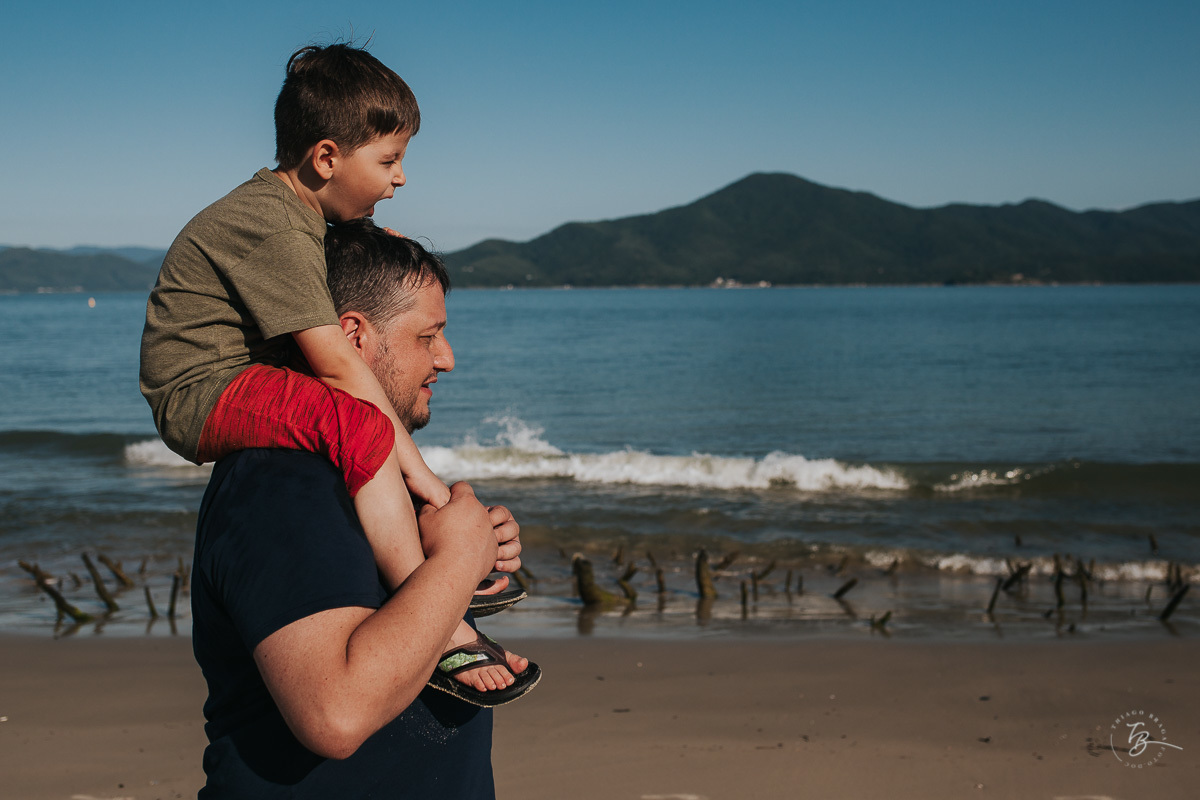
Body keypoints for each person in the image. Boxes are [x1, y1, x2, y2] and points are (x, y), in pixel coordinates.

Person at [139, 42, 524, 693]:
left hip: (234, 377)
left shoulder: (292, 215)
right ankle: (435, 609)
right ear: (326, 157)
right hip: (202, 391)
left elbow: (324, 265)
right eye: (389, 160)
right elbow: (340, 367)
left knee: (351, 426)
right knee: (356, 421)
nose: (400, 179)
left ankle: (432, 565)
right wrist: (428, 483)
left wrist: (380, 247)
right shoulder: (273, 225)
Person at [192, 220, 539, 798]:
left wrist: (465, 552)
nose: (447, 358)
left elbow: (405, 617)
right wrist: (457, 556)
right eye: (428, 336)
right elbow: (336, 714)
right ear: (353, 335)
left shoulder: (363, 468)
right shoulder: (282, 481)